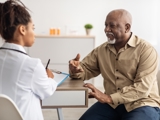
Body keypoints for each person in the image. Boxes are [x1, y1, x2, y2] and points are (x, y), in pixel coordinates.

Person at [69, 9, 160, 120]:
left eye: (112, 26)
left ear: (127, 27)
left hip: (142, 103)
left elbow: (142, 88)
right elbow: (85, 70)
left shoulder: (146, 50)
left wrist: (108, 98)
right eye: (106, 25)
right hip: (112, 105)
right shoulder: (101, 50)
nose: (106, 29)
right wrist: (75, 70)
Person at [0, 0, 57, 120]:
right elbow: (46, 91)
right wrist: (51, 79)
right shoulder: (32, 65)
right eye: (33, 28)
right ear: (22, 30)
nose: (34, 34)